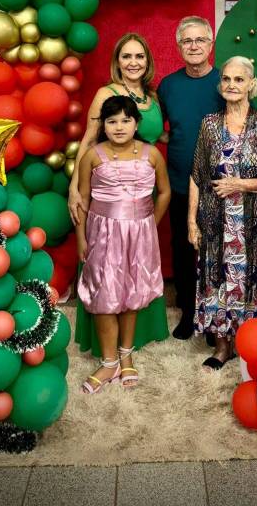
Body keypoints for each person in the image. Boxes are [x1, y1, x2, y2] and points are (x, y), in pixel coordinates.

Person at [188, 56, 257, 369]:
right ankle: (222, 347)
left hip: (254, 223)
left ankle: (251, 342)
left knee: (253, 281)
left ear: (251, 85)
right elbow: (196, 176)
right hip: (215, 220)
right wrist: (191, 222)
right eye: (226, 79)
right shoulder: (209, 124)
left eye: (239, 79)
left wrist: (241, 184)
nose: (231, 85)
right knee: (218, 280)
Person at [68, 33, 169, 353]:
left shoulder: (152, 96)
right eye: (127, 56)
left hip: (143, 181)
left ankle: (135, 340)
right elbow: (89, 138)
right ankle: (108, 348)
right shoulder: (106, 93)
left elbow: (157, 135)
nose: (133, 62)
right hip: (110, 186)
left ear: (147, 62)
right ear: (117, 61)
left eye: (139, 56)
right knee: (107, 269)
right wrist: (74, 186)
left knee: (139, 266)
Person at [76, 96, 171, 393]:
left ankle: (125, 355)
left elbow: (164, 192)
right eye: (112, 121)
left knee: (132, 292)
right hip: (102, 234)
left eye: (126, 120)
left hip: (140, 233)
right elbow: (82, 200)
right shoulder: (92, 156)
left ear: (137, 123)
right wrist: (81, 238)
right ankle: (108, 362)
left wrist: (150, 223)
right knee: (103, 294)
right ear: (103, 125)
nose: (119, 127)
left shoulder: (152, 154)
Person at [157, 16, 225, 339]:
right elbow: (158, 128)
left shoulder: (226, 81)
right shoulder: (168, 86)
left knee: (216, 250)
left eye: (200, 40)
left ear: (211, 44)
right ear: (179, 46)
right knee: (184, 249)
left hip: (220, 185)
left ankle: (215, 315)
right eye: (187, 41)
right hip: (180, 182)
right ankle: (188, 311)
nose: (194, 46)